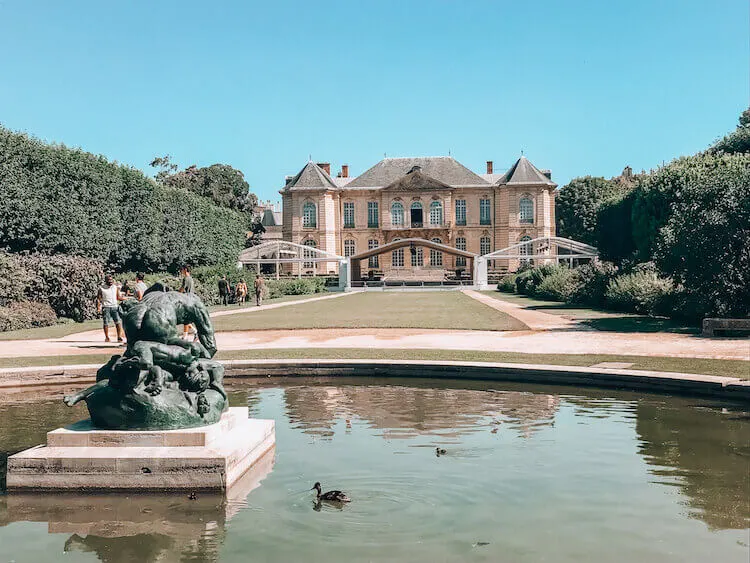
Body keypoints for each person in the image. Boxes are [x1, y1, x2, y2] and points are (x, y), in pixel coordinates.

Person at [97, 274, 125, 343]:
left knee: (118, 322)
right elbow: (98, 299)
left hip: (115, 307)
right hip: (106, 307)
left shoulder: (115, 287)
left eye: (111, 280)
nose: (110, 281)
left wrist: (126, 299)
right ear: (105, 280)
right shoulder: (102, 288)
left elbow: (118, 297)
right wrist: (98, 307)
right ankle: (107, 337)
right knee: (106, 323)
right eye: (109, 280)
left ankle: (119, 337)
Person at [179, 265, 196, 340]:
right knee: (186, 319)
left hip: (186, 299)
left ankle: (185, 336)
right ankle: (192, 333)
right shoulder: (191, 279)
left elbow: (182, 289)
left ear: (185, 270)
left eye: (182, 269)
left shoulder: (186, 279)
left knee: (185, 319)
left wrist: (176, 293)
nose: (181, 271)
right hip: (191, 299)